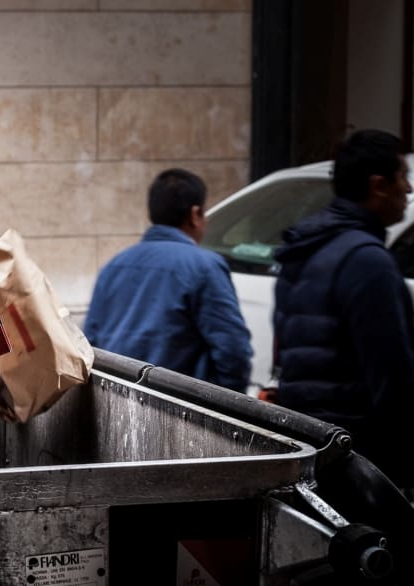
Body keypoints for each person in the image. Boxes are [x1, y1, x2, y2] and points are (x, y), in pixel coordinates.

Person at [273, 129, 414, 489]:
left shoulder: (303, 247)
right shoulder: (367, 261)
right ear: (378, 185)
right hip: (358, 454)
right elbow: (392, 379)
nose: (409, 190)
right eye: (403, 177)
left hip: (309, 443)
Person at [83, 168, 253, 392]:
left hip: (118, 403)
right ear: (195, 214)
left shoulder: (114, 266)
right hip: (179, 409)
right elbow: (233, 351)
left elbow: (89, 345)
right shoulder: (205, 267)